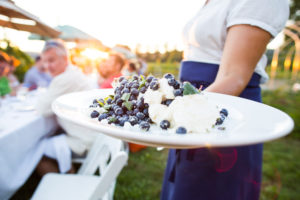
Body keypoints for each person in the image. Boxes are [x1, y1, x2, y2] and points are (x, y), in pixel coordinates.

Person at [160, 0, 289, 200]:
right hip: (192, 101)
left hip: (220, 106)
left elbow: (233, 76)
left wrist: (177, 116)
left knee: (209, 190)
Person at [35, 40, 93, 175]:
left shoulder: (65, 79)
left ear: (65, 59)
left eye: (51, 60)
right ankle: (67, 169)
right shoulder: (73, 73)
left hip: (85, 141)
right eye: (45, 61)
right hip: (92, 135)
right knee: (52, 135)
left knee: (35, 152)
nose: (47, 66)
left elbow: (42, 109)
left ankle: (65, 183)